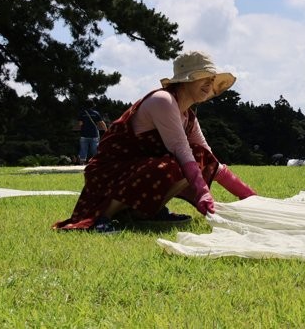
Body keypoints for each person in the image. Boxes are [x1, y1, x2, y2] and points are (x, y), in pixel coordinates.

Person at [54, 51, 258, 232]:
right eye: (203, 77)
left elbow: (209, 158)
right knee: (172, 165)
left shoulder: (188, 116)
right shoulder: (163, 100)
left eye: (212, 79)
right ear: (185, 80)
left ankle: (148, 212)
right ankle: (102, 216)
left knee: (198, 158)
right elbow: (180, 148)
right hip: (110, 173)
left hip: (136, 172)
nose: (209, 84)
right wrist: (203, 193)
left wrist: (249, 197)